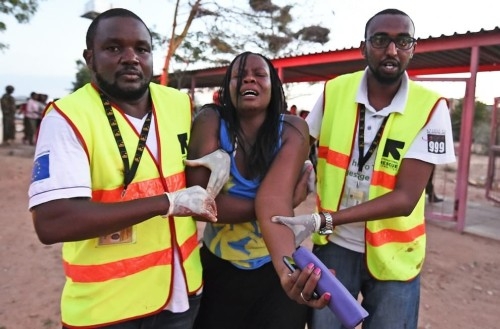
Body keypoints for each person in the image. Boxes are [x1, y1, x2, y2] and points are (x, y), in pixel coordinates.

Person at [28, 8, 231, 329]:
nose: (130, 57)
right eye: (113, 48)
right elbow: (53, 222)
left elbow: (195, 177)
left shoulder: (177, 103)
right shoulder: (68, 117)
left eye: (141, 48)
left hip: (182, 296)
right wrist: (167, 203)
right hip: (107, 310)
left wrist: (222, 156)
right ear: (90, 57)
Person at [273, 9, 456, 329]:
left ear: (413, 48)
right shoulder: (334, 91)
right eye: (381, 40)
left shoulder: (431, 108)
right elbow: (300, 146)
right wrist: (295, 178)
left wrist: (325, 219)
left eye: (403, 41)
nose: (391, 50)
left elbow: (406, 198)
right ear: (363, 46)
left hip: (396, 253)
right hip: (335, 248)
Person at [186, 51, 329, 329]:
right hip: (219, 267)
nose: (249, 78)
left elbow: (272, 199)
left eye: (260, 74)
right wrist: (287, 203)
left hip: (275, 265)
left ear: (274, 86)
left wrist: (287, 272)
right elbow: (198, 204)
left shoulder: (292, 129)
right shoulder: (210, 121)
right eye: (239, 75)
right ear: (227, 87)